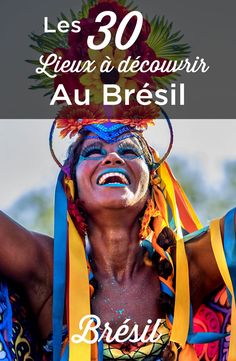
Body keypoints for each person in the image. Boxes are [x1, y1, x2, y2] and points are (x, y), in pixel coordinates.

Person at [0, 114, 235, 361]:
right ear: (72, 185)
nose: (113, 157)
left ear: (152, 180)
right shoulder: (52, 270)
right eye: (93, 152)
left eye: (129, 150)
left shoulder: (187, 267)